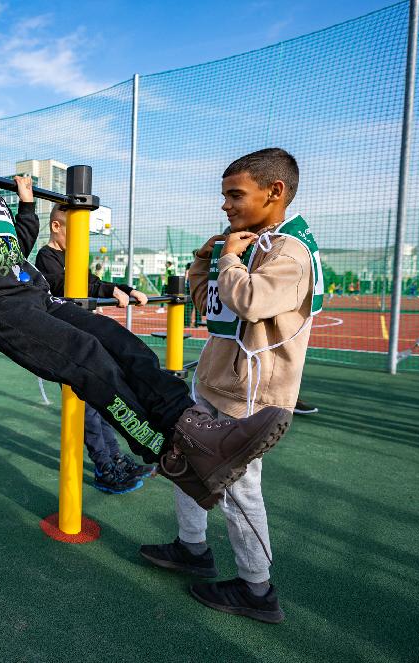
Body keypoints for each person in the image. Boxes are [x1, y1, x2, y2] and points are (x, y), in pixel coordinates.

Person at [0, 112, 292, 510]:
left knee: (122, 343)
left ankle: (197, 429)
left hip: (33, 295)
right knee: (85, 357)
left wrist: (25, 206)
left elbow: (17, 245)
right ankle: (168, 453)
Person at [140, 148, 320, 624]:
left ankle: (257, 588)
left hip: (251, 397)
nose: (225, 205)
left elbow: (250, 300)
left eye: (235, 194)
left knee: (240, 491)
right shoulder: (250, 243)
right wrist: (207, 258)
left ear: (275, 191)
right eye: (224, 195)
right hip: (215, 382)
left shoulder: (291, 252)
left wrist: (231, 258)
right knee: (183, 461)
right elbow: (210, 302)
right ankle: (191, 547)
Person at [35, 203, 155, 494]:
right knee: (87, 410)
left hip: (83, 341)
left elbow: (94, 283)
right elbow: (64, 284)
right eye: (76, 233)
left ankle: (115, 459)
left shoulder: (73, 256)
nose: (81, 241)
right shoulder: (46, 257)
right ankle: (104, 467)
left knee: (99, 404)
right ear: (56, 227)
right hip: (65, 343)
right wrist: (106, 291)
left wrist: (124, 289)